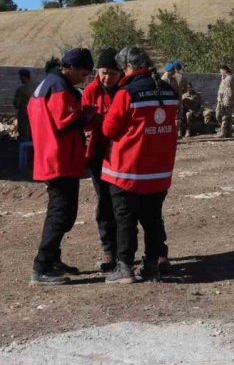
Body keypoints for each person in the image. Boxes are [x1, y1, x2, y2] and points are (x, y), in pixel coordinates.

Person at [101, 46, 180, 282]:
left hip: (127, 170)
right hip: (159, 170)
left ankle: (124, 266)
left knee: (125, 219)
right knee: (153, 218)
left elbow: (109, 129)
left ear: (128, 67)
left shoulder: (126, 93)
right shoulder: (168, 91)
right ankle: (152, 264)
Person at [27, 48, 95, 285]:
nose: (84, 79)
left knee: (63, 213)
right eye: (83, 74)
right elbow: (64, 123)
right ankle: (41, 267)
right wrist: (87, 114)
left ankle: (52, 260)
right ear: (72, 68)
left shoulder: (47, 83)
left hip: (52, 157)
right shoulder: (59, 87)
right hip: (59, 159)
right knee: (60, 214)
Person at [82, 49, 124, 272]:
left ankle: (127, 250)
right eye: (103, 72)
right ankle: (109, 249)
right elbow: (87, 123)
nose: (106, 77)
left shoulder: (125, 91)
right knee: (105, 203)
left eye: (112, 73)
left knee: (124, 203)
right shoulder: (91, 91)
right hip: (98, 155)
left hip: (122, 155)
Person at [13, 69, 33, 143]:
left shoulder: (21, 89)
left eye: (21, 77)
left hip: (24, 114)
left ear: (24, 77)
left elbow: (17, 104)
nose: (20, 78)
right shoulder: (35, 87)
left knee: (24, 136)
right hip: (34, 114)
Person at [216, 65, 234, 138]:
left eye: (221, 71)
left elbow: (229, 91)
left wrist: (227, 100)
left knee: (223, 116)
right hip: (223, 99)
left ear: (224, 70)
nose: (220, 73)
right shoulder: (226, 78)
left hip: (225, 100)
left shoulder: (228, 79)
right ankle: (228, 133)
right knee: (227, 117)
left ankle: (223, 132)